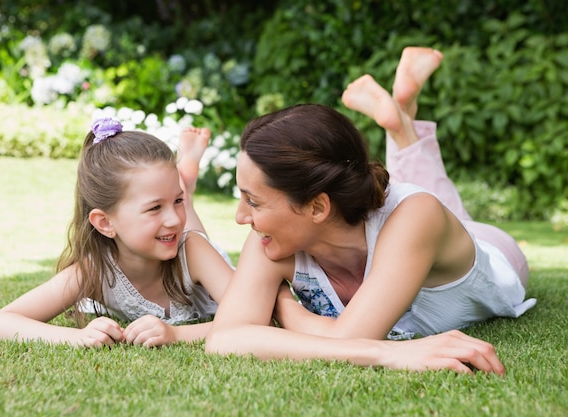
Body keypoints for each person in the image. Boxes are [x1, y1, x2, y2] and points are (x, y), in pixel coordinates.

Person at [205, 47, 535, 374]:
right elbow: (225, 339)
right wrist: (391, 354)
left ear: (318, 206)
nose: (240, 217)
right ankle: (401, 116)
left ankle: (402, 123)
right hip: (402, 227)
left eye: (253, 200)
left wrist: (284, 307)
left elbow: (349, 339)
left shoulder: (416, 217)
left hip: (493, 250)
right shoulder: (272, 238)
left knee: (434, 204)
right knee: (418, 199)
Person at [0, 120, 234, 348]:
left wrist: (176, 335)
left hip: (192, 248)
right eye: (155, 207)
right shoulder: (96, 270)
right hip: (165, 241)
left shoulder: (193, 250)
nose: (172, 217)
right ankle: (183, 189)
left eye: (174, 201)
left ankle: (185, 187)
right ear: (104, 223)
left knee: (190, 230)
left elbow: (254, 317)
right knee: (178, 223)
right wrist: (77, 337)